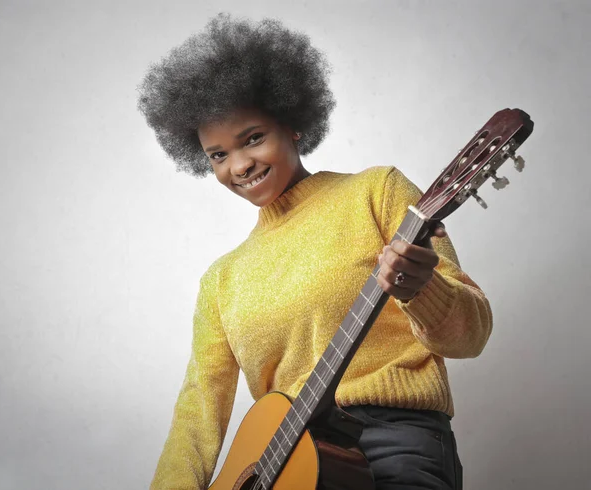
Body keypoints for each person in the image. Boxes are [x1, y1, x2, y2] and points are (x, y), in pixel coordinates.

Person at [137, 13, 492, 490]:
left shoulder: (376, 192)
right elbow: (199, 411)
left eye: (253, 138)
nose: (239, 166)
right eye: (218, 155)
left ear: (293, 125)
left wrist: (422, 288)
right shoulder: (221, 280)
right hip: (283, 467)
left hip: (393, 441)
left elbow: (470, 338)